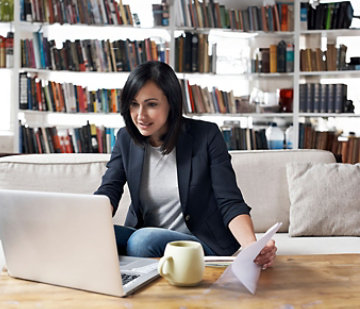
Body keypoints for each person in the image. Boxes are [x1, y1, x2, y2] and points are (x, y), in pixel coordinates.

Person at [95, 61, 276, 269]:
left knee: (141, 242)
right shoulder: (125, 138)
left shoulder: (206, 136)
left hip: (198, 239)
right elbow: (110, 188)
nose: (140, 115)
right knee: (93, 236)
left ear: (171, 103)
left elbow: (229, 201)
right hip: (146, 234)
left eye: (151, 104)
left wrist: (252, 247)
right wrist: (90, 223)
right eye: (134, 104)